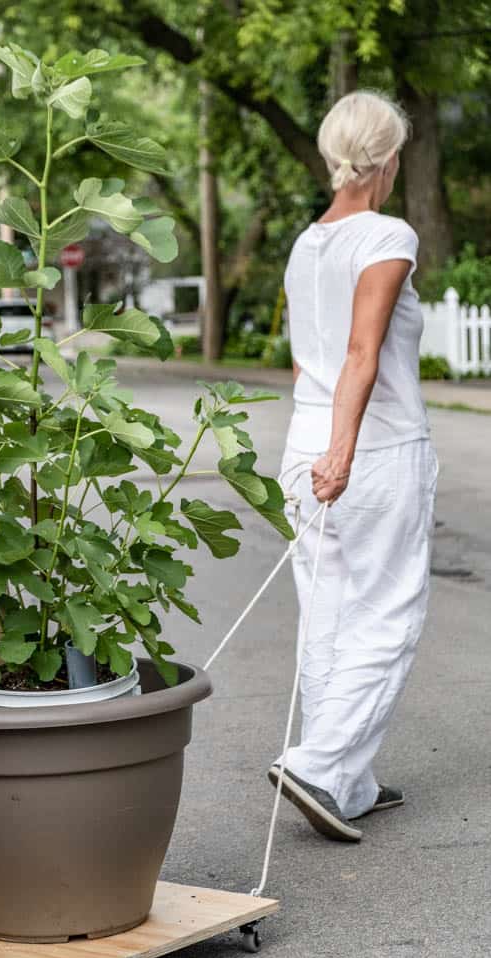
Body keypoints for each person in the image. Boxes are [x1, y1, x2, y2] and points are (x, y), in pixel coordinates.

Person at [270, 90, 439, 843]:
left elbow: (313, 356)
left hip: (304, 447)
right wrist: (342, 452)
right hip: (369, 450)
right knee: (389, 613)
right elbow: (362, 353)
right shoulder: (386, 234)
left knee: (331, 612)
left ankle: (350, 779)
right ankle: (321, 764)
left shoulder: (307, 244)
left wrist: (322, 449)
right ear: (389, 159)